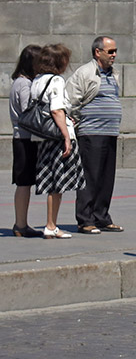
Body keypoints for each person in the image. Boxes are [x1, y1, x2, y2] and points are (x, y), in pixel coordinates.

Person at [66, 36, 123, 234]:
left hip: (110, 132)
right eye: (110, 51)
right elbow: (71, 99)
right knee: (90, 177)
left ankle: (102, 217)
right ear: (98, 52)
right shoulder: (85, 73)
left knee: (107, 178)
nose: (114, 55)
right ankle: (85, 219)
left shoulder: (113, 74)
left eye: (115, 51)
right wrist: (74, 121)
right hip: (91, 133)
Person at [32, 43, 82, 239]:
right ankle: (51, 225)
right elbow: (56, 110)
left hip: (42, 136)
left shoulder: (37, 80)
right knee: (57, 183)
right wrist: (67, 137)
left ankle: (51, 224)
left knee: (51, 181)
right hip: (56, 137)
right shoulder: (57, 81)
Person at [9, 44, 43, 237]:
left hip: (23, 137)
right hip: (24, 138)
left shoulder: (20, 82)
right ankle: (20, 224)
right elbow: (27, 111)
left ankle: (21, 223)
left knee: (25, 182)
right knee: (24, 182)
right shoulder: (23, 84)